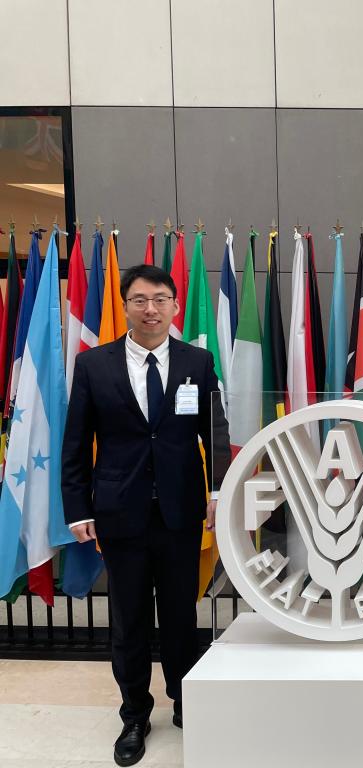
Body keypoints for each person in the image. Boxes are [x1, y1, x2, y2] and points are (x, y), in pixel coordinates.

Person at [62, 264, 229, 767]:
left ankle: (182, 699)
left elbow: (215, 431)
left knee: (180, 616)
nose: (150, 309)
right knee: (129, 619)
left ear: (175, 305)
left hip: (180, 513)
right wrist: (77, 509)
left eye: (160, 299)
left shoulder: (198, 362)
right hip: (120, 513)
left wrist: (218, 490)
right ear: (126, 306)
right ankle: (134, 713)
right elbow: (76, 442)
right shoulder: (94, 365)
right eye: (139, 299)